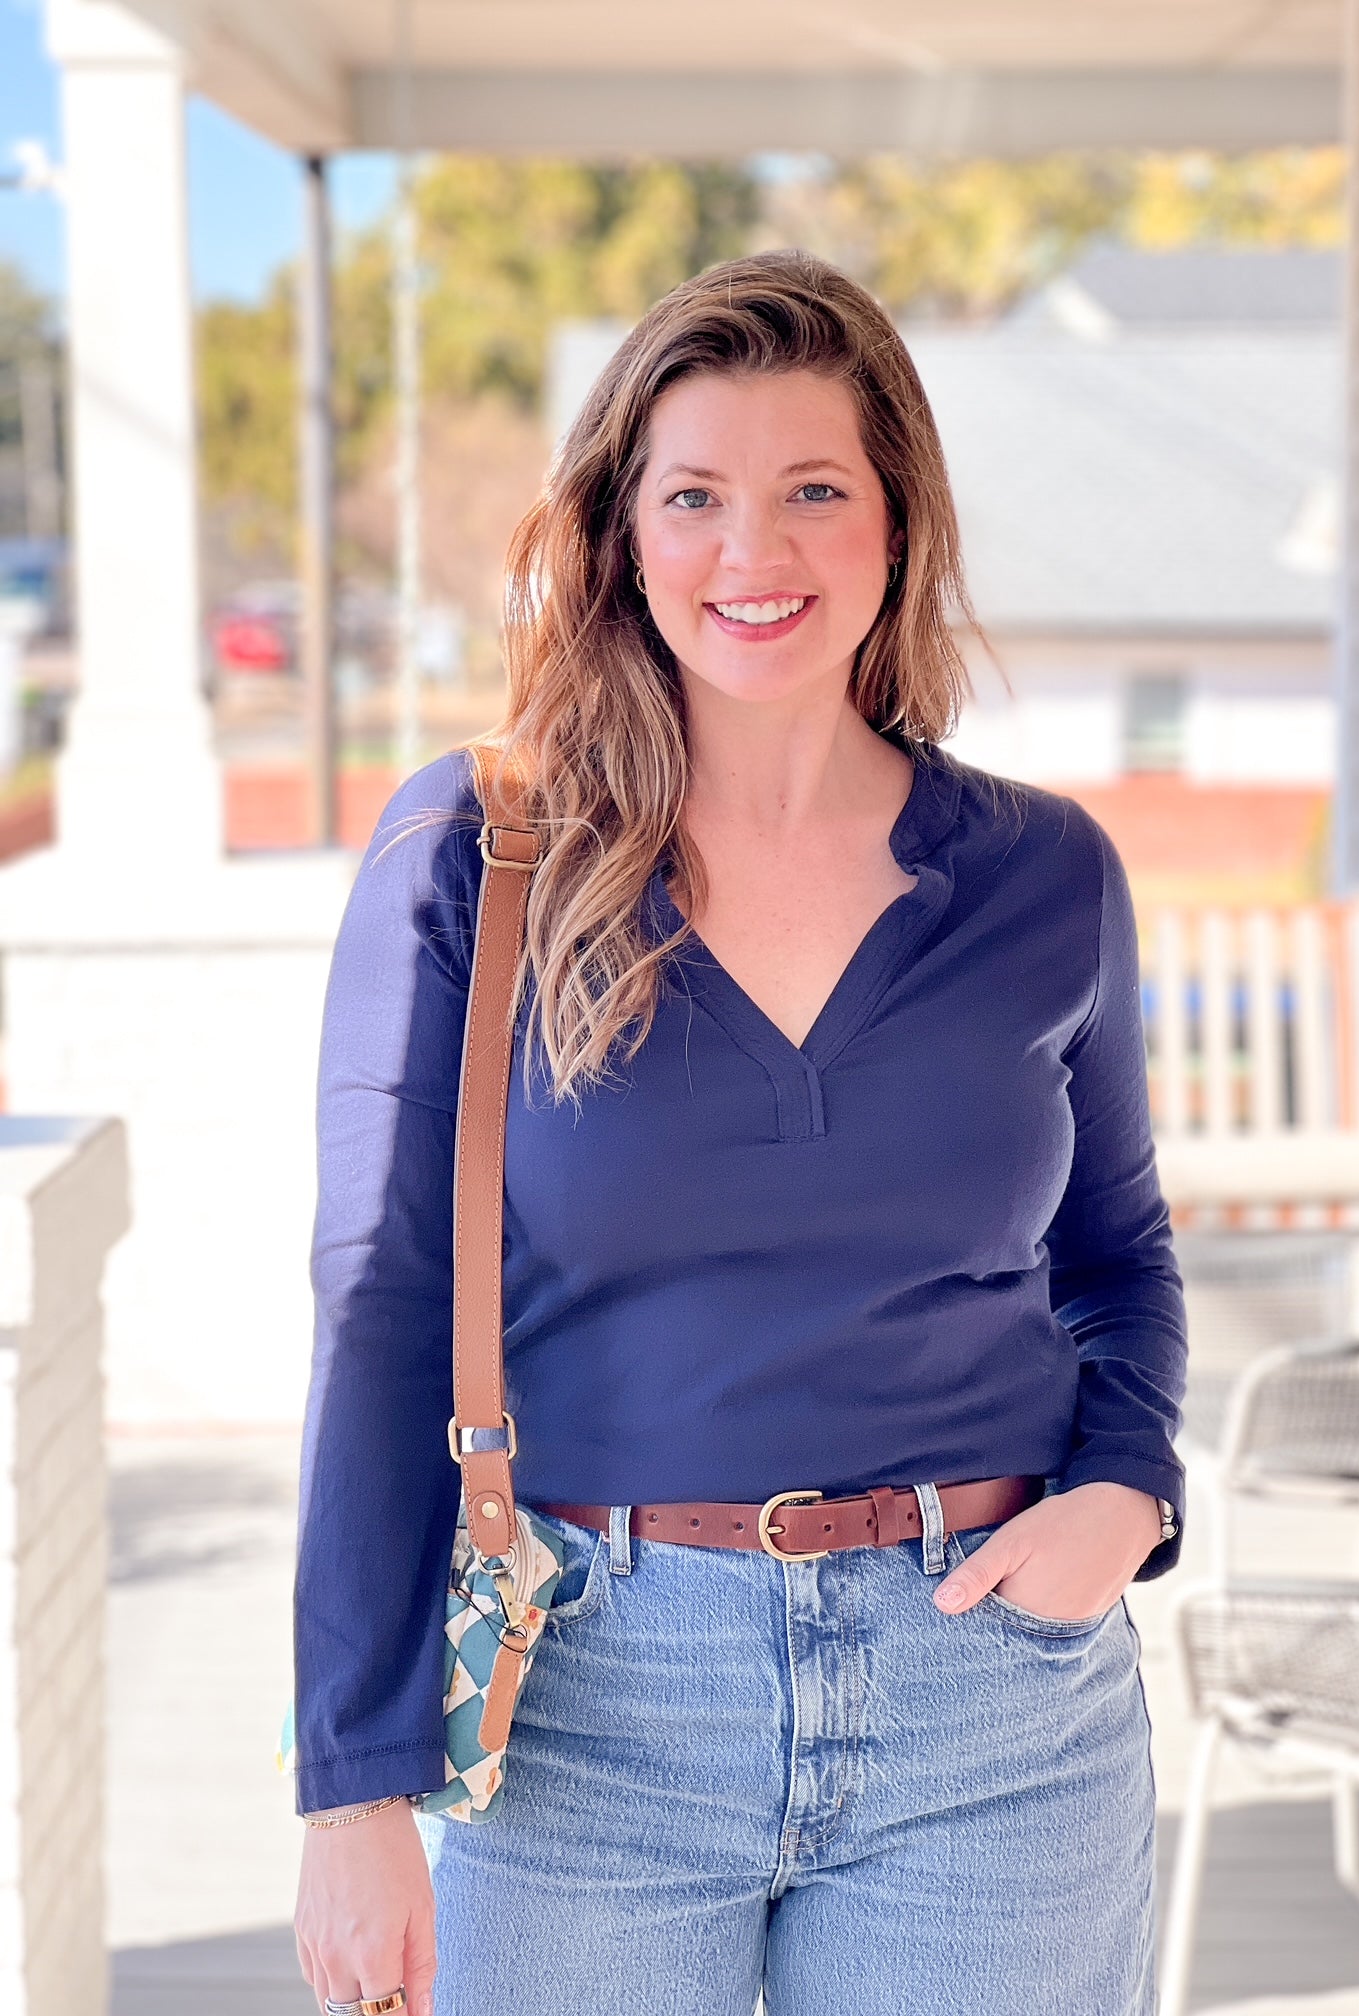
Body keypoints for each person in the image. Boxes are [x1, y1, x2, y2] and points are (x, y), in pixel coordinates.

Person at [292, 249, 1187, 2016]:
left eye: (812, 492)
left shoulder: (1044, 874)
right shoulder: (479, 856)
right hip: (586, 1706)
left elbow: (1120, 1252)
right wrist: (350, 1779)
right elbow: (378, 1304)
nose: (751, 554)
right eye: (693, 496)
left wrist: (1129, 1493)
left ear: (897, 525)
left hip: (993, 1698)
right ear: (624, 535)